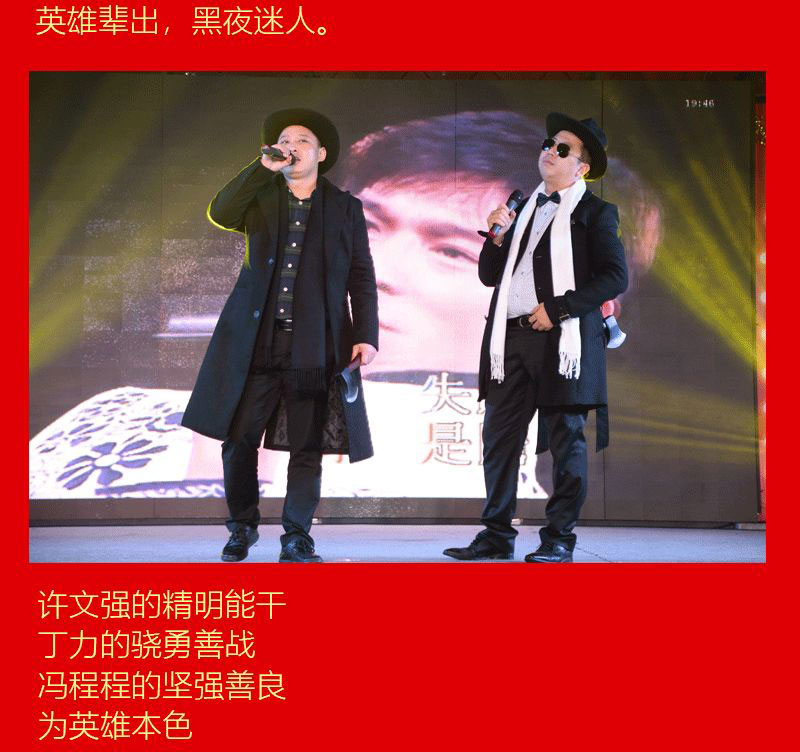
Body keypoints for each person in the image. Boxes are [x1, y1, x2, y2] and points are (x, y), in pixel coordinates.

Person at [181, 108, 379, 562]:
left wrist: (366, 333)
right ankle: (242, 526)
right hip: (256, 342)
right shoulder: (260, 195)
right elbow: (220, 211)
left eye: (302, 140)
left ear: (321, 154)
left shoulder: (345, 207)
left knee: (307, 446)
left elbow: (361, 274)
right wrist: (261, 169)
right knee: (239, 440)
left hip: (316, 344)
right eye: (284, 140)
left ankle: (297, 535)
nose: (291, 146)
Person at [443, 112, 628, 563]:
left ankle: (559, 538)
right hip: (510, 338)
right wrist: (496, 239)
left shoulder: (595, 213)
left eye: (563, 149)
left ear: (582, 167)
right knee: (499, 439)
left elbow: (614, 276)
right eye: (549, 143)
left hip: (563, 340)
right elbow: (490, 276)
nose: (550, 151)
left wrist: (560, 308)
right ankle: (495, 535)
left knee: (566, 440)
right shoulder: (522, 208)